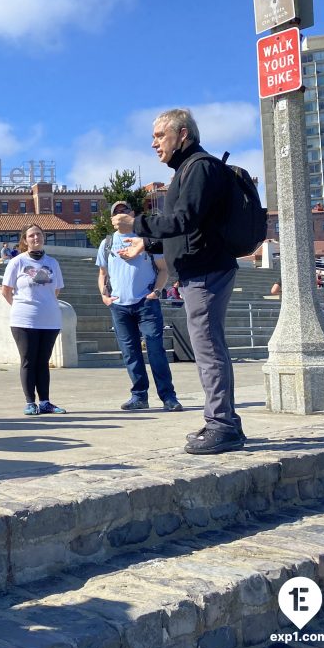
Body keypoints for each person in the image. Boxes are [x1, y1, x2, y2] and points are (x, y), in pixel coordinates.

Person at [112, 108, 243, 455]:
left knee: (209, 350)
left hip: (206, 272)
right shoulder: (189, 169)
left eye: (159, 136)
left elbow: (184, 219)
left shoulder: (199, 167)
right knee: (210, 348)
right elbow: (189, 226)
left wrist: (136, 225)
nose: (153, 143)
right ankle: (224, 420)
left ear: (182, 134)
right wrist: (148, 242)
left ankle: (223, 426)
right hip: (201, 269)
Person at [96, 201, 182, 412]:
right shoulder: (107, 243)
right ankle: (139, 395)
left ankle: (168, 397)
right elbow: (102, 274)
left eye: (124, 211)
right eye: (116, 212)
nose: (120, 215)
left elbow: (163, 270)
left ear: (132, 214)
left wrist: (157, 292)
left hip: (146, 303)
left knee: (155, 350)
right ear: (112, 220)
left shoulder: (147, 241)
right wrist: (104, 296)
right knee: (130, 353)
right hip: (119, 306)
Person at [2, 224, 66, 415]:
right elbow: (6, 291)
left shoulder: (53, 263)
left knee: (43, 361)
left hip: (49, 320)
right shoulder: (17, 262)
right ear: (25, 240)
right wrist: (23, 306)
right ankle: (31, 402)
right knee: (28, 360)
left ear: (44, 237)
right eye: (31, 235)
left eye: (39, 234)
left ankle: (45, 402)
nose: (35, 238)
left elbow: (56, 290)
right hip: (24, 320)